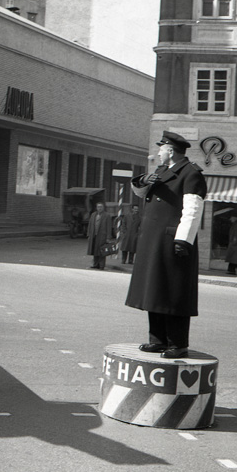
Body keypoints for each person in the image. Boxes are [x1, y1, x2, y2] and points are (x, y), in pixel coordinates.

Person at [125, 131, 207, 359]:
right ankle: (158, 340)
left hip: (172, 240)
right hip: (154, 240)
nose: (158, 153)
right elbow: (142, 193)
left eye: (161, 149)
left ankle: (178, 344)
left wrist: (183, 240)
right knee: (155, 290)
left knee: (173, 293)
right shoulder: (162, 171)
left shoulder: (190, 173)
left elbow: (192, 210)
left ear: (170, 150)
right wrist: (141, 181)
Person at [87, 201, 114, 270]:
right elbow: (90, 225)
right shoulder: (93, 215)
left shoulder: (107, 215)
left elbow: (109, 227)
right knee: (94, 250)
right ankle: (95, 264)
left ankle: (101, 265)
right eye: (98, 207)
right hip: (94, 235)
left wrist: (108, 237)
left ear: (103, 207)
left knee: (102, 251)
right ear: (96, 208)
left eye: (101, 207)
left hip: (102, 236)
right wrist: (89, 234)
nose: (99, 208)